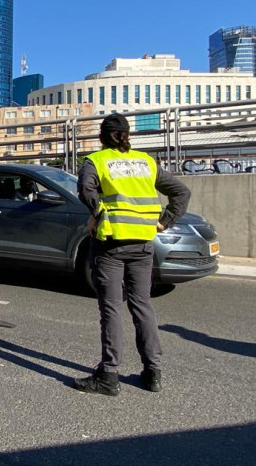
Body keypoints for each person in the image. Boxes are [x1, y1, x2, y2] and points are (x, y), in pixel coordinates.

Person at [74, 113, 190, 396]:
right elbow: (181, 192)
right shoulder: (146, 161)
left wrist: (98, 213)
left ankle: (109, 376)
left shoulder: (96, 161)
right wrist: (164, 221)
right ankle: (153, 373)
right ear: (127, 135)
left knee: (112, 308)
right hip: (143, 244)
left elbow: (85, 189)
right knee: (142, 306)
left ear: (102, 136)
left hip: (112, 244)